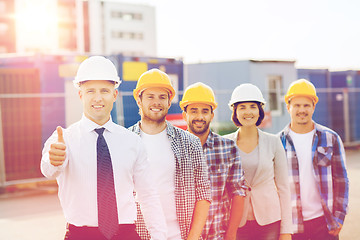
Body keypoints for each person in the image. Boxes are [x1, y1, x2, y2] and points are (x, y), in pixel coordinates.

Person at [40, 56, 167, 240]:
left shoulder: (132, 142)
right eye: (90, 91)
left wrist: (160, 237)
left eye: (105, 91)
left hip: (125, 234)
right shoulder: (63, 139)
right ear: (80, 95)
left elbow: (148, 196)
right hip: (81, 235)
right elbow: (48, 170)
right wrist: (53, 160)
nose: (98, 98)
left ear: (114, 95)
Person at [128, 69, 212, 240]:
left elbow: (203, 193)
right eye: (150, 96)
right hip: (140, 236)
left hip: (181, 236)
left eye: (162, 97)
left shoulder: (190, 143)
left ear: (169, 101)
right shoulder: (125, 142)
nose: (156, 102)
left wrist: (193, 237)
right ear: (139, 100)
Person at [279, 79, 349, 240]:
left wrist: (339, 216)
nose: (301, 110)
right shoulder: (277, 143)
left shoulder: (331, 138)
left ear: (313, 107)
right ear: (288, 107)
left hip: (324, 223)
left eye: (306, 105)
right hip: (292, 225)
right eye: (297, 105)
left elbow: (341, 180)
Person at [223, 83, 292, 240]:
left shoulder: (273, 142)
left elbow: (284, 189)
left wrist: (286, 230)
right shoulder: (225, 143)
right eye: (242, 107)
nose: (248, 112)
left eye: (253, 106)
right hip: (236, 222)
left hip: (270, 221)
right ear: (235, 111)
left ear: (260, 110)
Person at [180, 82, 246, 240]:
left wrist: (231, 235)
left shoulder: (228, 148)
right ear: (184, 115)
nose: (200, 117)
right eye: (193, 111)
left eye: (205, 111)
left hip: (218, 235)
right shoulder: (173, 148)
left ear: (212, 115)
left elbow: (238, 192)